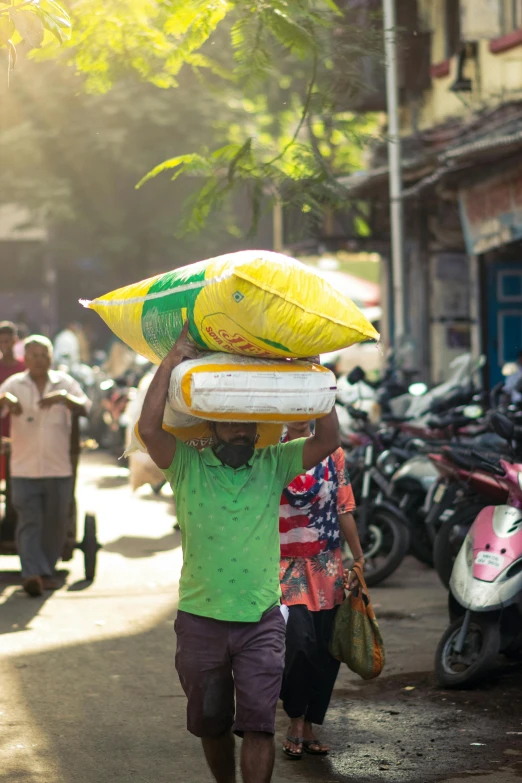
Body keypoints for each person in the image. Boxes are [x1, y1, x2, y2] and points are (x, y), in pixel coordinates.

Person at [139, 322, 341, 783]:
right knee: (211, 721)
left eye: (244, 424)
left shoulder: (274, 464)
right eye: (227, 422)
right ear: (210, 426)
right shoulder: (186, 465)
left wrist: (312, 375)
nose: (237, 431)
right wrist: (172, 359)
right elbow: (148, 428)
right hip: (200, 617)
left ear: (256, 428)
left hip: (261, 619)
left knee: (259, 726)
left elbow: (327, 441)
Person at [279, 419, 364, 760]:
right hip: (284, 567)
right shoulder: (270, 451)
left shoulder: (332, 454)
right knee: (298, 643)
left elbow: (343, 509)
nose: (299, 413)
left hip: (327, 566)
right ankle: (295, 719)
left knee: (326, 652)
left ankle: (311, 723)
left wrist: (359, 558)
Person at [0, 335, 91, 597]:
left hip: (58, 467)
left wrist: (64, 398)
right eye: (34, 355)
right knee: (29, 521)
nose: (39, 360)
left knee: (54, 523)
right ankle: (32, 574)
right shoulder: (14, 384)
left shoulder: (65, 382)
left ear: (51, 357)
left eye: (44, 355)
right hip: (23, 468)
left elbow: (85, 406)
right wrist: (6, 400)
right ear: (25, 358)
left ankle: (46, 571)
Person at [0, 321, 25, 438]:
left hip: (22, 423)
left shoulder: (26, 367)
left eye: (7, 341)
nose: (4, 345)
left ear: (15, 340)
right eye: (1, 342)